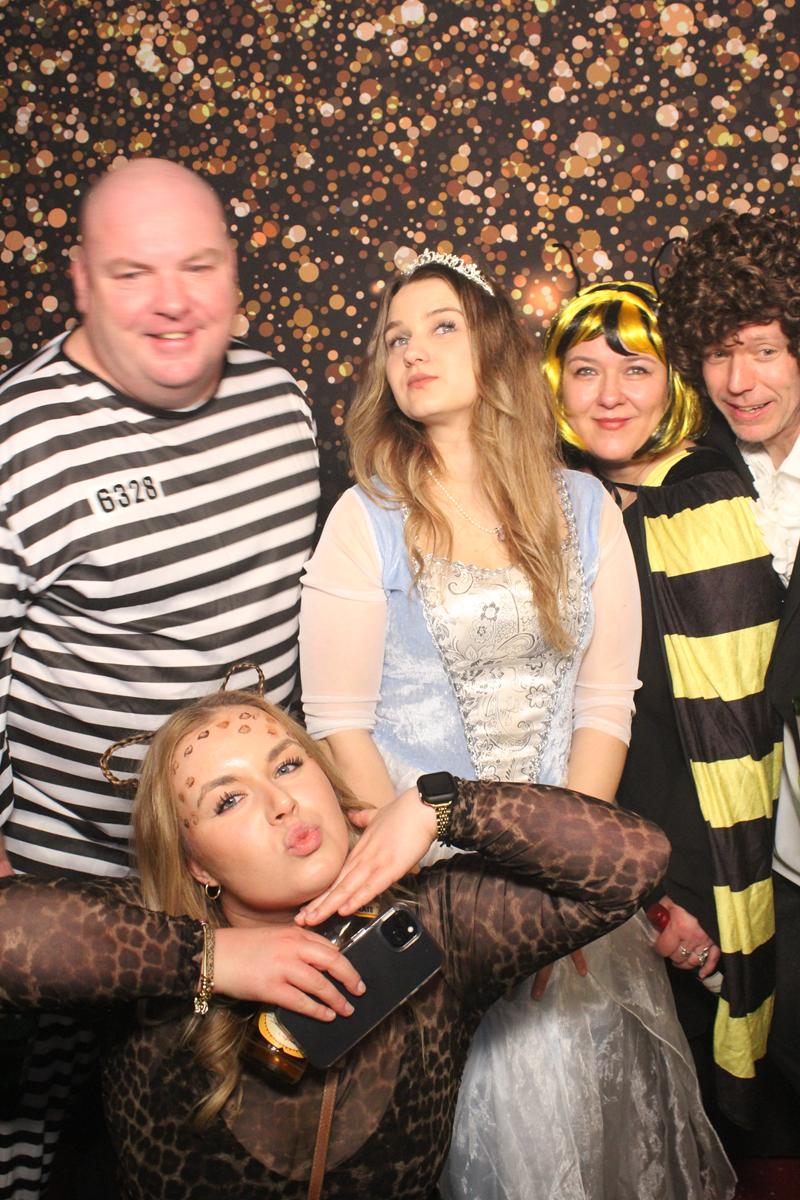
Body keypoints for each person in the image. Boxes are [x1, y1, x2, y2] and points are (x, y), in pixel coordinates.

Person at [299, 252, 734, 1199]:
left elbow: (603, 705)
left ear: (495, 347)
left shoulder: (581, 504)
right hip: (428, 896)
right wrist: (446, 905)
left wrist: (561, 890)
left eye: (441, 327)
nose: (413, 351)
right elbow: (338, 726)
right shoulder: (365, 519)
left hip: (565, 883)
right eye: (396, 338)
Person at [0, 687, 673, 1199]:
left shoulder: (438, 923)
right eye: (227, 800)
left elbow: (635, 861)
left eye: (288, 766)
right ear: (197, 865)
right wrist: (209, 959)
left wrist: (443, 806)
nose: (280, 802)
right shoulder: (140, 942)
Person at [0, 158, 319, 1197]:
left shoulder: (278, 399)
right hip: (68, 881)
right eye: (133, 273)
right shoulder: (20, 440)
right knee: (35, 1143)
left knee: (225, 1149)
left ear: (234, 271)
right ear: (79, 279)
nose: (174, 301)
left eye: (199, 265)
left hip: (244, 886)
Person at [543, 278, 785, 1136]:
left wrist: (682, 890)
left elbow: (732, 728)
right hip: (583, 851)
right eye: (585, 370)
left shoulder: (703, 497)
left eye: (636, 369)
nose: (609, 395)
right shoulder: (558, 498)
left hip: (686, 866)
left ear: (673, 382)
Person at [658, 210, 800, 1133]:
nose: (739, 381)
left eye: (764, 351)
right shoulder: (700, 481)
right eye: (717, 354)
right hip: (771, 864)